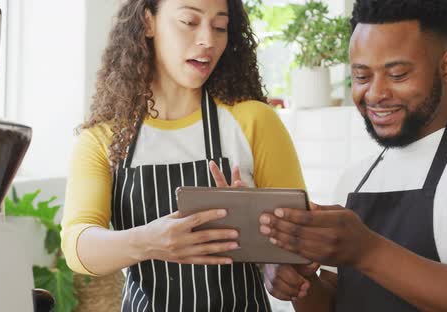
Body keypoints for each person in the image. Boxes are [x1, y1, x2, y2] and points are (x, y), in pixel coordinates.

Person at [259, 0, 447, 311]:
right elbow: (334, 303)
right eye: (361, 76)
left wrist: (366, 250)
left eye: (397, 74)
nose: (375, 94)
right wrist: (301, 282)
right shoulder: (356, 178)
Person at [60, 0, 305, 311]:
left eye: (219, 27)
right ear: (148, 23)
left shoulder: (253, 121)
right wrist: (148, 241)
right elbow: (78, 245)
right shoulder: (105, 138)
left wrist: (268, 253)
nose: (208, 40)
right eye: (189, 22)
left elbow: (300, 236)